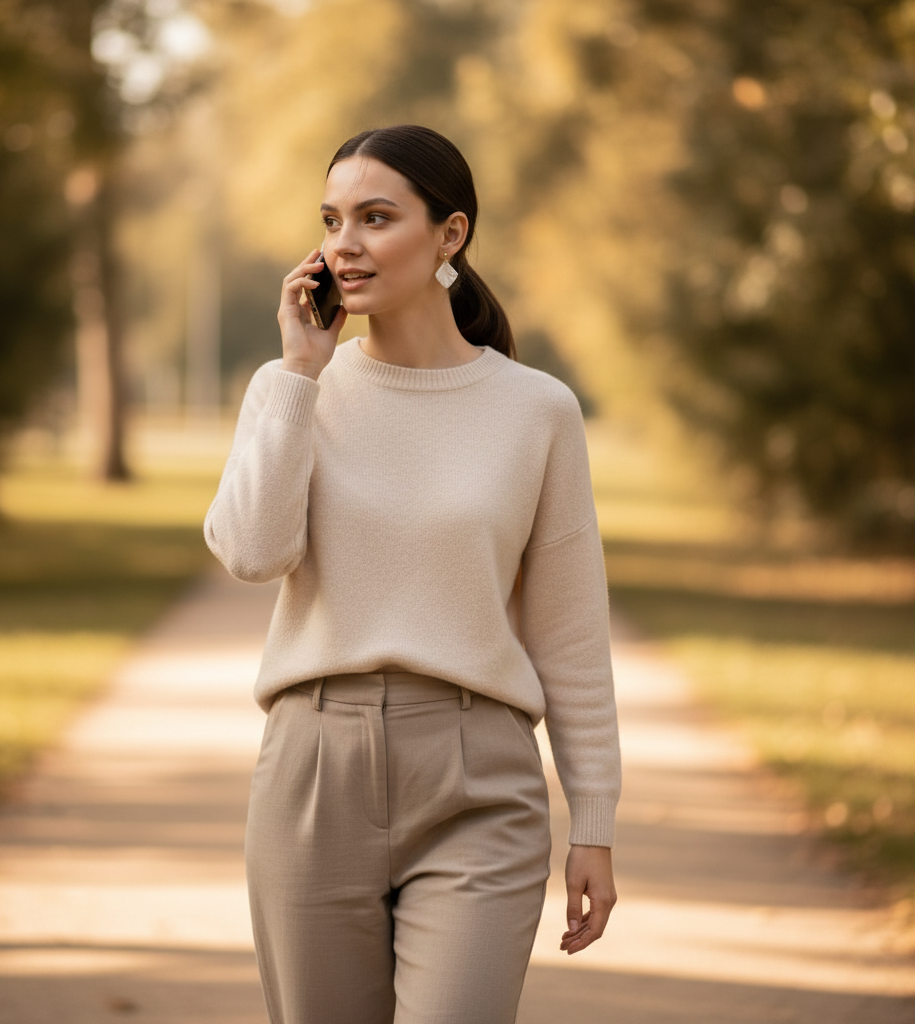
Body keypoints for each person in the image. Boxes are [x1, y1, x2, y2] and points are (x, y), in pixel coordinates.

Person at [204, 124, 621, 1024]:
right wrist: (299, 373)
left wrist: (593, 822)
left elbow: (571, 634)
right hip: (313, 776)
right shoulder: (294, 392)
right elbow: (249, 552)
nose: (343, 244)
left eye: (376, 217)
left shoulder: (537, 411)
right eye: (331, 220)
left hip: (480, 781)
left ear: (451, 235)